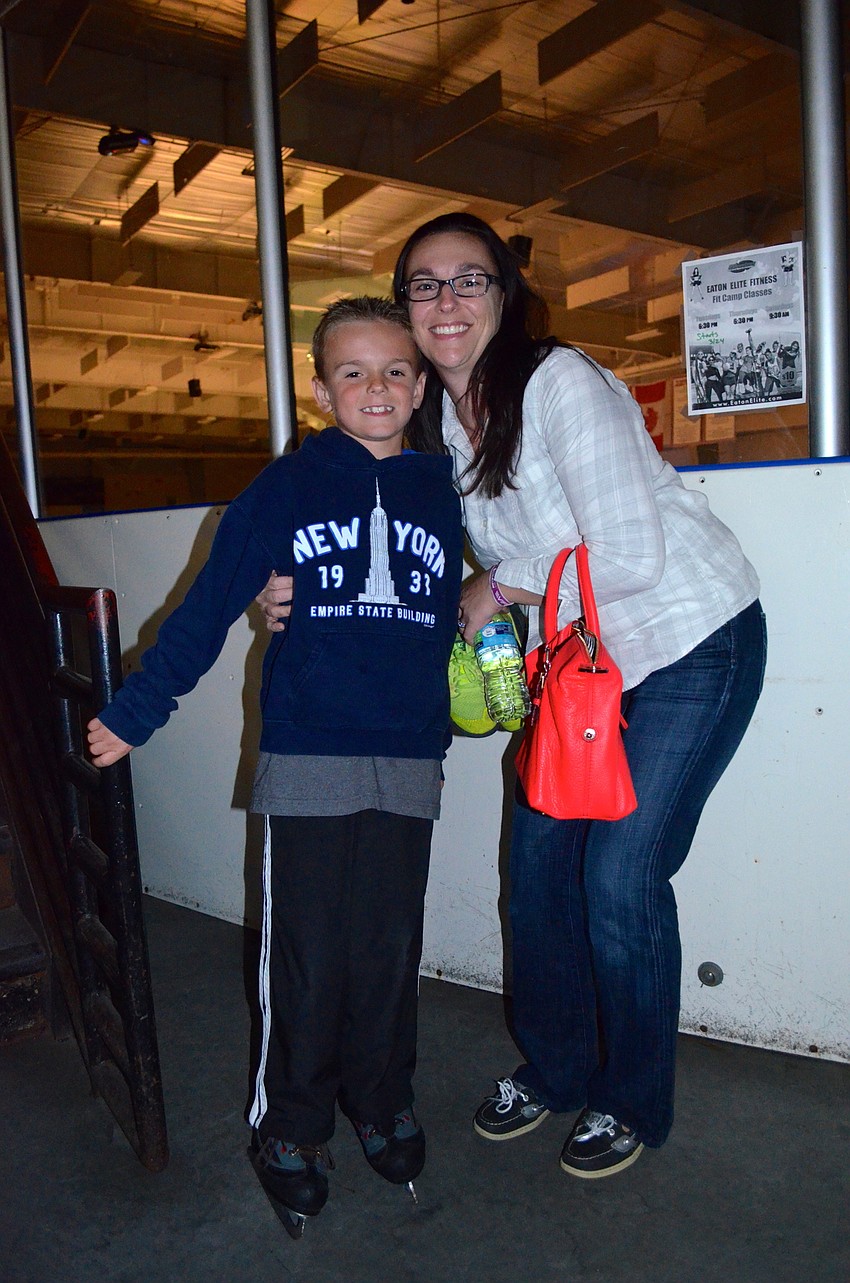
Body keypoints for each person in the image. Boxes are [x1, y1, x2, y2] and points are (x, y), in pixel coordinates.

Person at [260, 214, 766, 1182]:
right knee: (533, 869)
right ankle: (558, 1062)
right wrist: (281, 579)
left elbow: (629, 554)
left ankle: (632, 1094)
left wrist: (490, 587)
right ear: (407, 307)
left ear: (503, 293)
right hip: (577, 669)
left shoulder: (558, 382)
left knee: (617, 876)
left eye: (468, 280)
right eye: (424, 284)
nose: (445, 301)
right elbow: (359, 513)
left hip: (688, 642)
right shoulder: (436, 425)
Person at [88, 296, 464, 1233]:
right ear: (320, 385)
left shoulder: (445, 486)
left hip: (410, 752)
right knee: (304, 952)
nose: (375, 388)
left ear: (420, 384)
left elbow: (495, 564)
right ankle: (290, 1123)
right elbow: (212, 600)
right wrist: (139, 710)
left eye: (393, 372)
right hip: (309, 751)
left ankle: (380, 1100)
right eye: (353, 372)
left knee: (387, 948)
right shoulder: (288, 487)